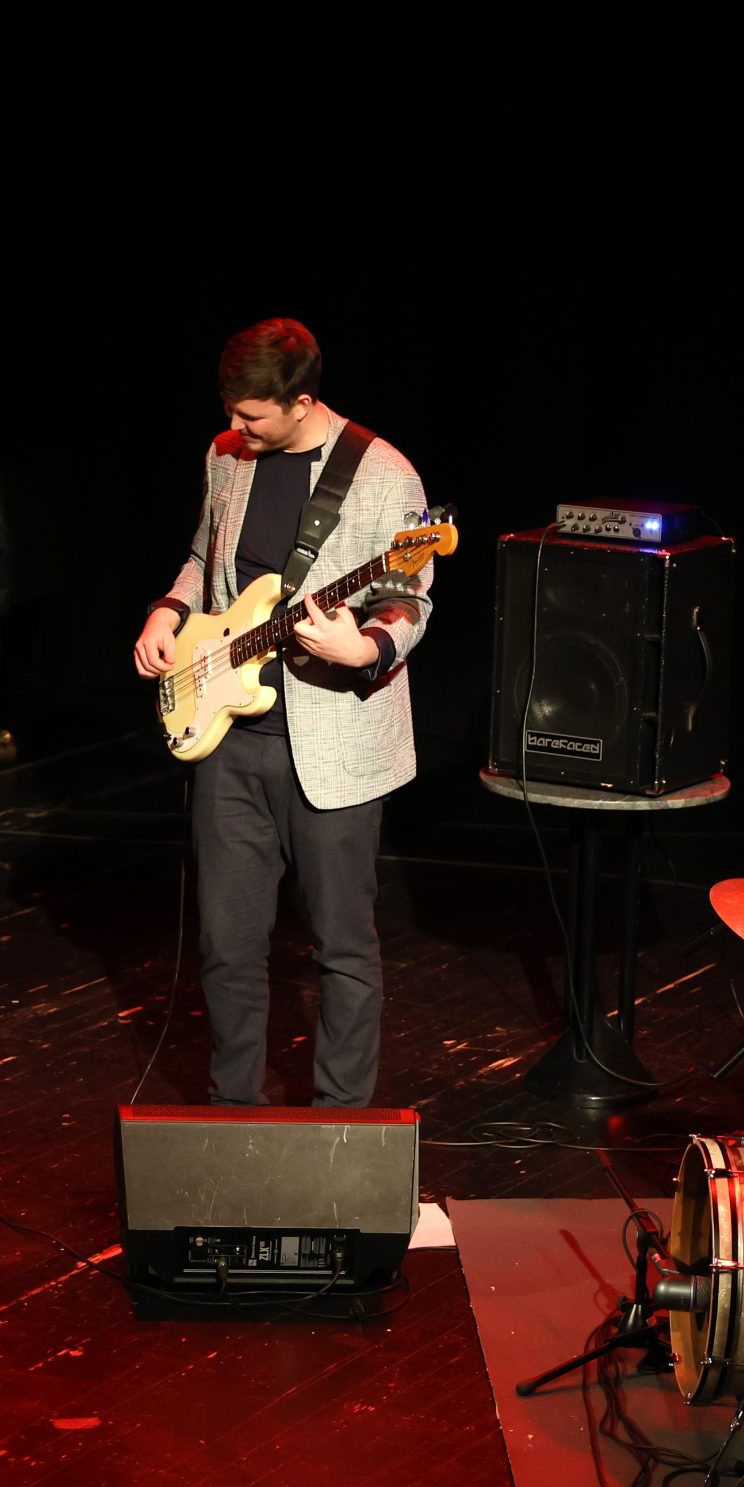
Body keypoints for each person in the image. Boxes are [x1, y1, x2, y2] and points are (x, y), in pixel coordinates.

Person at [130, 318, 431, 1107]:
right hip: (230, 738)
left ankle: (341, 1126)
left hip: (333, 741)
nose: (237, 427)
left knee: (343, 950)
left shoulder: (384, 475)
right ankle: (236, 1112)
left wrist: (363, 646)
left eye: (252, 415)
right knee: (227, 946)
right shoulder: (226, 455)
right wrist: (168, 610)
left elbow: (409, 599)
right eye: (231, 412)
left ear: (301, 402)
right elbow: (203, 557)